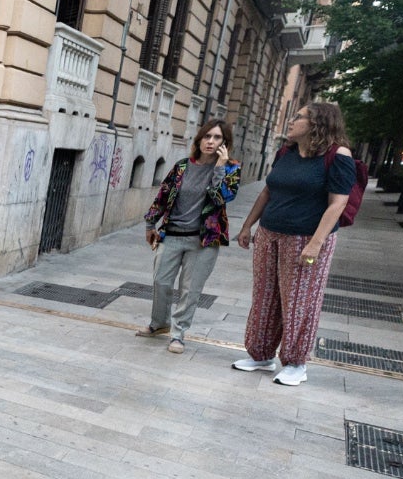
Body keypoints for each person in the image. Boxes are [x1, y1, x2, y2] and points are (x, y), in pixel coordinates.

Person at [232, 101, 357, 386]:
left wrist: (316, 243)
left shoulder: (338, 156)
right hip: (269, 233)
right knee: (264, 297)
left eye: (298, 117)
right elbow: (268, 190)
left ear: (317, 124)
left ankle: (296, 362)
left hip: (305, 239)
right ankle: (261, 354)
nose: (291, 121)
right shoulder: (286, 152)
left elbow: (338, 204)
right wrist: (248, 225)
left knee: (299, 301)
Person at [136, 119, 241, 354]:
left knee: (189, 289)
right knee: (161, 281)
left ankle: (178, 334)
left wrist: (219, 168)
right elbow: (163, 195)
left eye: (217, 138)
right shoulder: (183, 166)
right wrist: (150, 222)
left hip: (203, 241)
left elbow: (220, 198)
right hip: (172, 234)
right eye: (207, 137)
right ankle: (159, 323)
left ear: (225, 144)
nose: (211, 142)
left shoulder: (231, 169)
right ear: (199, 139)